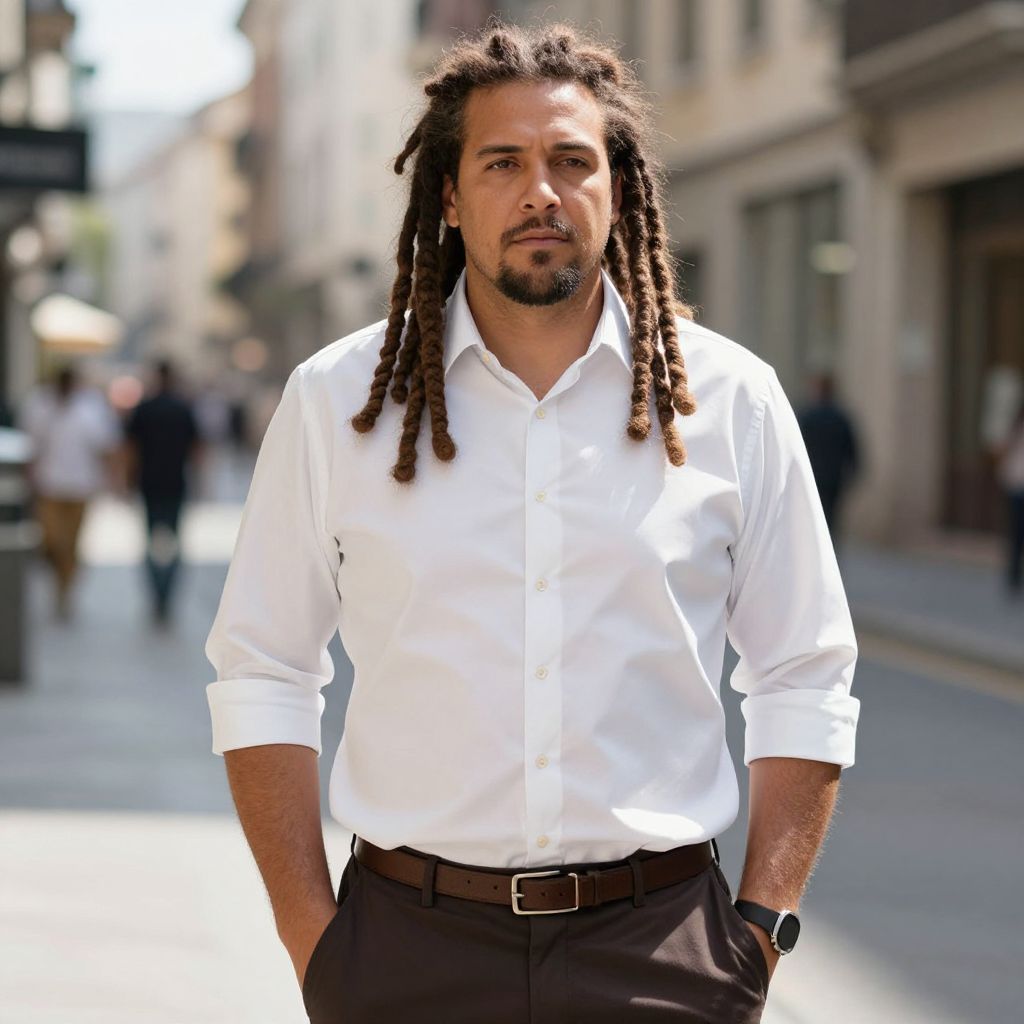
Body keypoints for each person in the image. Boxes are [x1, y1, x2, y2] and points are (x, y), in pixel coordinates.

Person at [205, 22, 861, 1024]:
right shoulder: (337, 400)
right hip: (406, 950)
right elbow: (262, 668)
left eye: (570, 160)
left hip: (662, 950)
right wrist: (315, 941)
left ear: (619, 186)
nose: (539, 192)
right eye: (502, 162)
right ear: (452, 195)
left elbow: (803, 671)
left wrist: (759, 933)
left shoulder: (731, 399)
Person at [18, 363, 121, 621]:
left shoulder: (91, 407)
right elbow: (30, 445)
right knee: (52, 540)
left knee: (72, 544)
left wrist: (114, 481)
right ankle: (59, 581)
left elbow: (105, 446)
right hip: (49, 486)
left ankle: (65, 591)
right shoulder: (39, 404)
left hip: (80, 487)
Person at [123, 358, 202, 625]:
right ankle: (165, 594)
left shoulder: (144, 409)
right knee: (174, 543)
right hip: (175, 484)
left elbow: (130, 449)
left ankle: (158, 593)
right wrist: (201, 481)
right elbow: (197, 449)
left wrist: (126, 481)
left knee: (151, 542)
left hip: (149, 484)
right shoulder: (183, 408)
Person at [796, 371, 860, 554]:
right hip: (834, 478)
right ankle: (828, 555)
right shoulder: (841, 417)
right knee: (830, 521)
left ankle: (814, 556)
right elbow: (852, 450)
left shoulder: (807, 416)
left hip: (812, 478)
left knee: (812, 520)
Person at [995, 399, 1024, 597]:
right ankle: (1013, 577)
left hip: (1015, 484)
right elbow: (1003, 450)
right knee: (1016, 535)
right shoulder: (1015, 429)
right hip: (1016, 486)